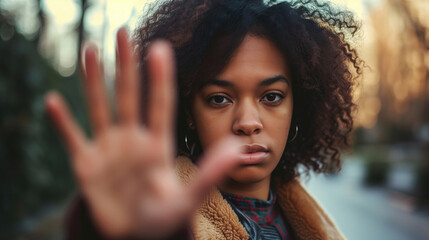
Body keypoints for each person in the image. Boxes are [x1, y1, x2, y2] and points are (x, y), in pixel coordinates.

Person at [45, 0, 362, 239]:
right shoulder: (166, 220)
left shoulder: (309, 223)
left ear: (298, 105)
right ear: (189, 114)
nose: (248, 122)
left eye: (272, 97)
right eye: (219, 99)